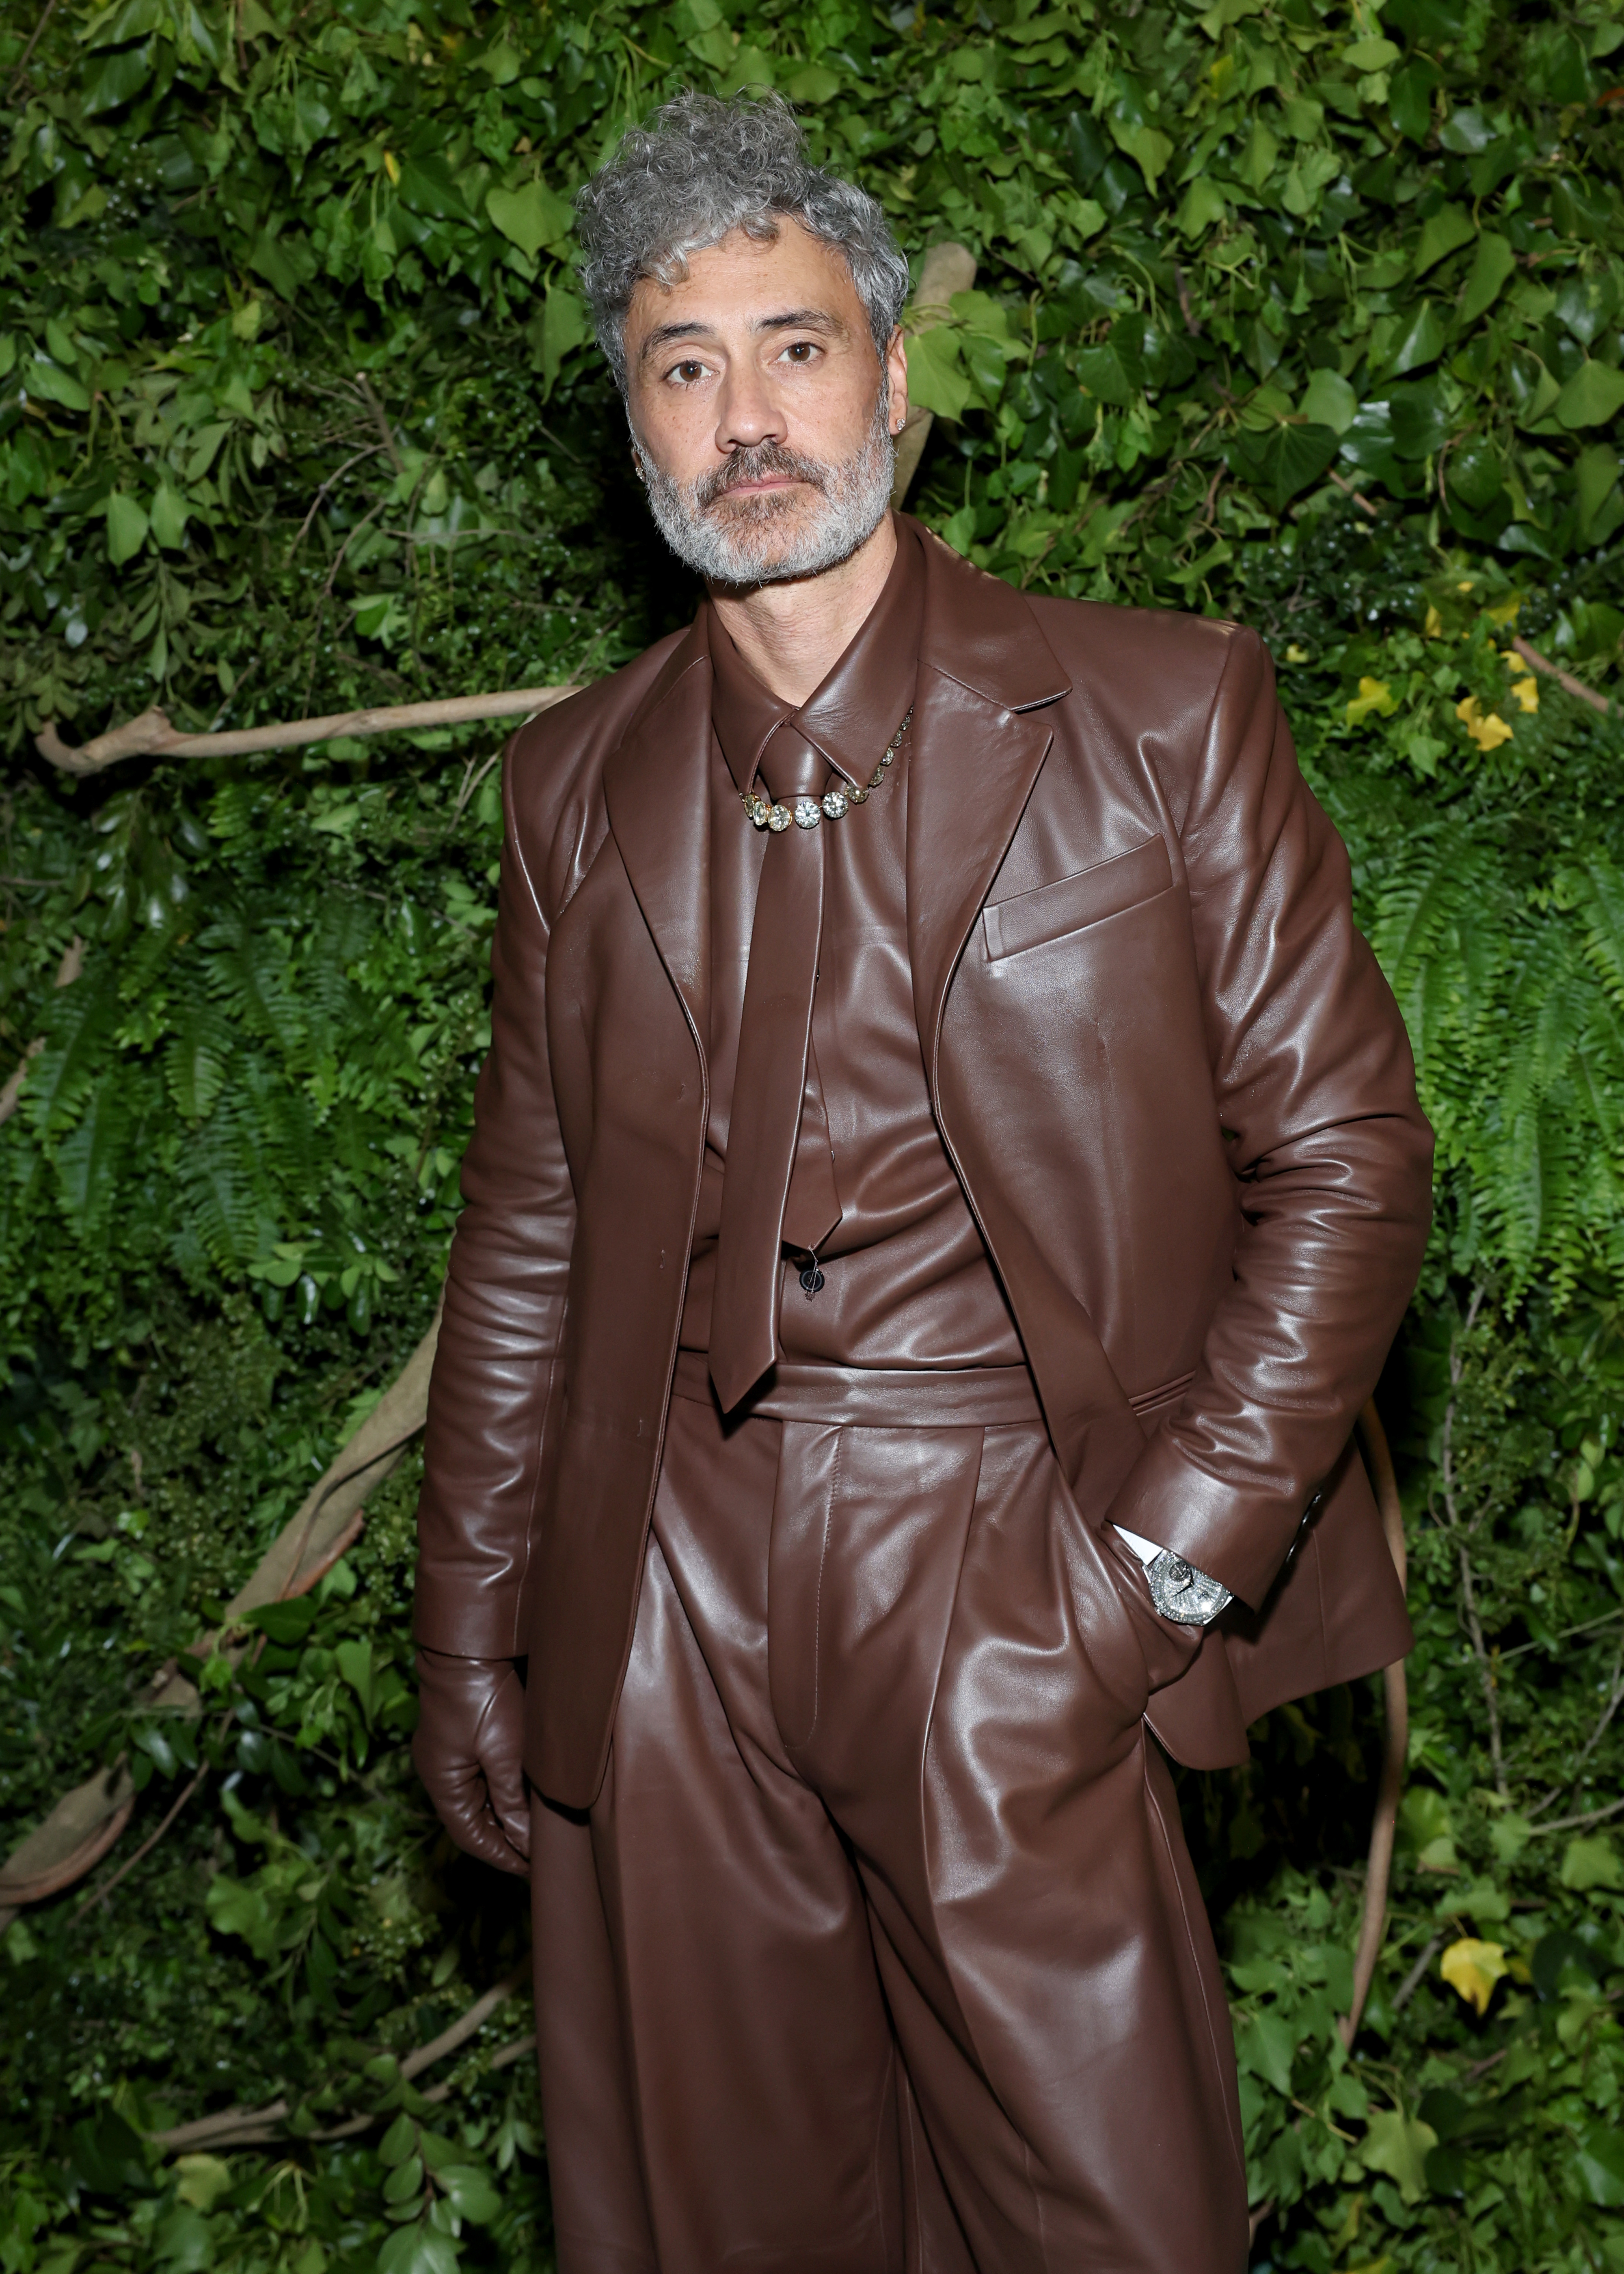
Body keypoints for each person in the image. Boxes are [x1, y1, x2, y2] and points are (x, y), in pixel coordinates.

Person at [411, 89, 1432, 2274]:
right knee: (724, 2217)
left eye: (792, 348)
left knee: (1111, 2219)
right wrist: (473, 1624)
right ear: (634, 430)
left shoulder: (1157, 720)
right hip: (665, 1590)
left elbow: (1349, 1162)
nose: (744, 417)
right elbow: (528, 1235)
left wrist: (1149, 1574)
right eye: (683, 369)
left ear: (892, 380)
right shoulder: (570, 790)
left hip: (1004, 1548)